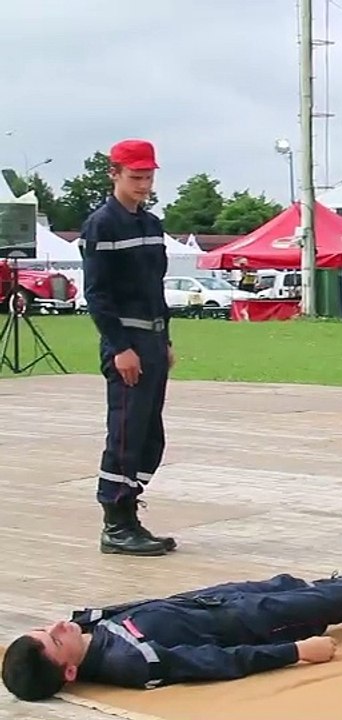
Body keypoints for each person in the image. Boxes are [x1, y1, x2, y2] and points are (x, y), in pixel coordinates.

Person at [1, 524, 342, 702]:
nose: (59, 625)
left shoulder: (85, 625)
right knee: (324, 605)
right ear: (69, 671)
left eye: (45, 628)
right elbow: (215, 663)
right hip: (244, 626)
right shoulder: (129, 663)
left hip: (213, 600)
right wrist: (295, 652)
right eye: (54, 638)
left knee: (291, 585)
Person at [80, 139, 177, 557]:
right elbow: (97, 294)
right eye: (136, 177)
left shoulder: (151, 224)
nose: (143, 185)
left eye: (148, 177)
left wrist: (165, 338)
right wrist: (120, 347)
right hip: (126, 342)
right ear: (114, 174)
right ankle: (115, 524)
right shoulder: (102, 225)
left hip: (152, 340)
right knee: (125, 433)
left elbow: (155, 287)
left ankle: (130, 514)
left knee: (150, 436)